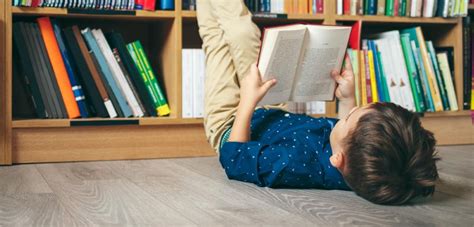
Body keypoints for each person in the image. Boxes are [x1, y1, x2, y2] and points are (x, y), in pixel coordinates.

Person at [197, 0, 439, 205]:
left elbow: (235, 159)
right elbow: (348, 136)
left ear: (338, 159)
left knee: (217, 41)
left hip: (230, 125)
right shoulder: (356, 163)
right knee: (243, 35)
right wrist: (347, 99)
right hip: (270, 109)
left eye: (346, 117)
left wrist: (247, 102)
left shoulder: (293, 165)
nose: (343, 116)